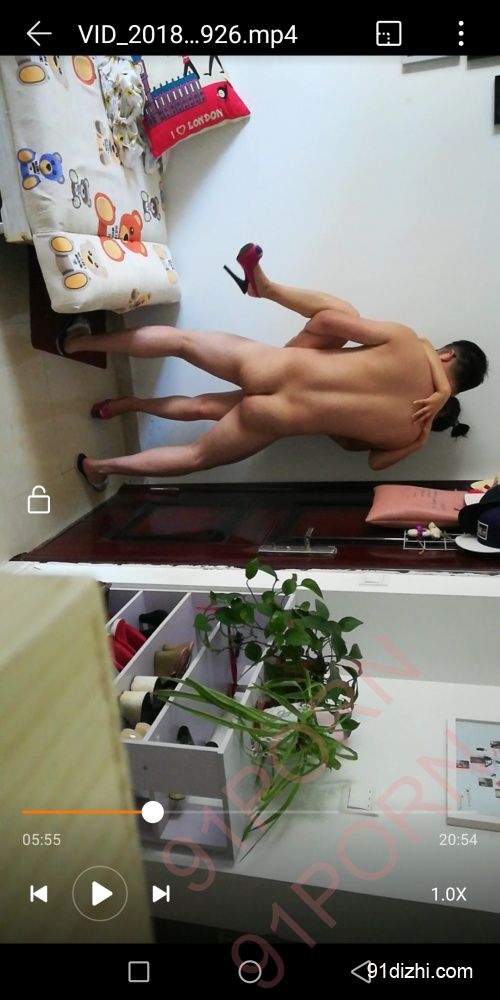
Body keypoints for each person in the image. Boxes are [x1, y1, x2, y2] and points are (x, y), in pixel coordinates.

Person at [55, 243, 488, 490]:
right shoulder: (411, 433)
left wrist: (316, 345)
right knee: (194, 455)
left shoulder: (408, 343)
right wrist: (418, 440)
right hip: (275, 418)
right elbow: (369, 460)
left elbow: (327, 322)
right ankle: (99, 467)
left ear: (446, 355)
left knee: (182, 343)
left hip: (272, 367)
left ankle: (79, 343)